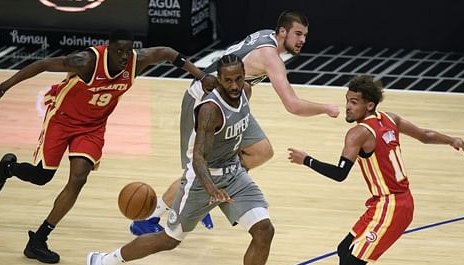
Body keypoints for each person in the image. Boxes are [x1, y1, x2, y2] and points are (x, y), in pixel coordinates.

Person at [0, 29, 214, 264]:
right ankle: (8, 168)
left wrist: (201, 75)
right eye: (118, 51)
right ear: (108, 49)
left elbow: (167, 53)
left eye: (127, 51)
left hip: (92, 126)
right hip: (62, 119)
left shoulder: (136, 61)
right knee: (42, 176)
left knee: (79, 178)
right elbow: (42, 64)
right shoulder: (87, 61)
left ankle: (39, 239)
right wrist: (2, 87)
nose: (124, 57)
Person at [87, 54, 275, 265]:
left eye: (238, 79)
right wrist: (211, 189)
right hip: (202, 182)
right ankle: (103, 262)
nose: (234, 86)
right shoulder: (211, 110)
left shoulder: (245, 92)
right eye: (228, 81)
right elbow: (198, 158)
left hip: (234, 175)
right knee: (169, 240)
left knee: (264, 231)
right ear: (220, 81)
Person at [288, 75, 464, 265]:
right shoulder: (389, 118)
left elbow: (339, 174)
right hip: (390, 202)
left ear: (369, 106)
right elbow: (425, 135)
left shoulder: (358, 133)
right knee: (344, 250)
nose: (348, 107)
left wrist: (307, 160)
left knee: (353, 262)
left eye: (354, 102)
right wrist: (450, 139)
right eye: (347, 101)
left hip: (391, 204)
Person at [130, 10, 340, 236]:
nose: (302, 40)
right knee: (199, 168)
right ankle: (149, 217)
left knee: (262, 151)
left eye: (305, 35)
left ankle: (212, 187)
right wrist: (326, 108)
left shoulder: (266, 36)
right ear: (282, 32)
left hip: (232, 102)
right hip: (205, 103)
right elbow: (293, 105)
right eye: (298, 34)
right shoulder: (270, 56)